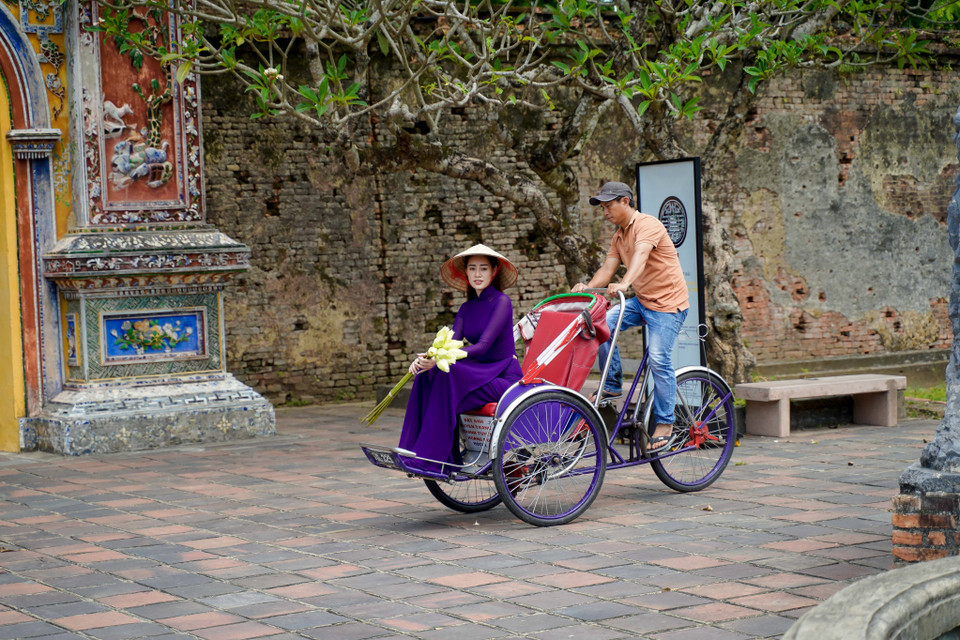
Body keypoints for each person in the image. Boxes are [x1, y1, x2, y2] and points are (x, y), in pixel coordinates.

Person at [572, 181, 690, 452]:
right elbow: (606, 268)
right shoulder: (618, 236)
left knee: (659, 357)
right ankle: (612, 385)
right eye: (602, 207)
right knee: (601, 323)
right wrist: (587, 289)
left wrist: (624, 284)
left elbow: (640, 256)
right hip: (644, 301)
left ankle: (666, 422)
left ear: (626, 201)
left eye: (609, 205)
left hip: (669, 305)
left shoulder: (648, 225)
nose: (605, 211)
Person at [399, 244, 523, 472]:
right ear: (465, 272)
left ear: (494, 271)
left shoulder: (501, 302)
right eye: (472, 268)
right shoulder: (466, 308)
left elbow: (484, 346)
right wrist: (428, 357)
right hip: (479, 374)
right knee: (428, 375)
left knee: (448, 374)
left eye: (483, 269)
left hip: (503, 377)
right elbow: (451, 343)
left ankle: (430, 458)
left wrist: (440, 361)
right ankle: (422, 453)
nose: (477, 274)